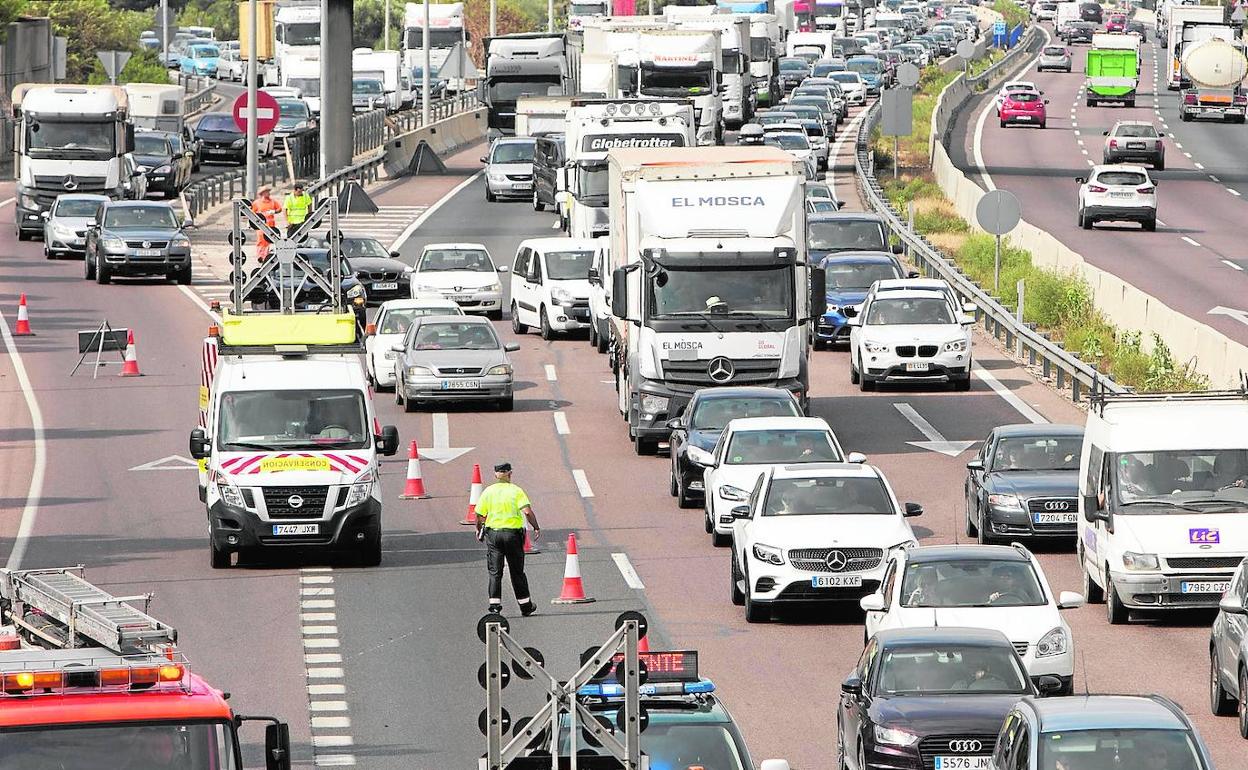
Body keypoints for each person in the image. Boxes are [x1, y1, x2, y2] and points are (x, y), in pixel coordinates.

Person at [475, 462, 541, 616]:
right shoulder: (516, 491)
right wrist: (536, 527)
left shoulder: (488, 492)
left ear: (495, 475)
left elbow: (479, 515)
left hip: (493, 535)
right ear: (510, 474)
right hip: (513, 536)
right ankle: (525, 606)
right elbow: (527, 512)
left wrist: (479, 529)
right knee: (517, 572)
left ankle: (495, 607)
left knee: (495, 572)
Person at [250, 187, 282, 261]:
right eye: (267, 191)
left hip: (271, 225)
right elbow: (251, 213)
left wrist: (274, 211)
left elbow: (279, 209)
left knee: (269, 241)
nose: (268, 193)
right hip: (260, 226)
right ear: (263, 193)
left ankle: (266, 257)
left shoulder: (273, 202)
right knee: (261, 241)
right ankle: (260, 256)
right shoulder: (257, 203)